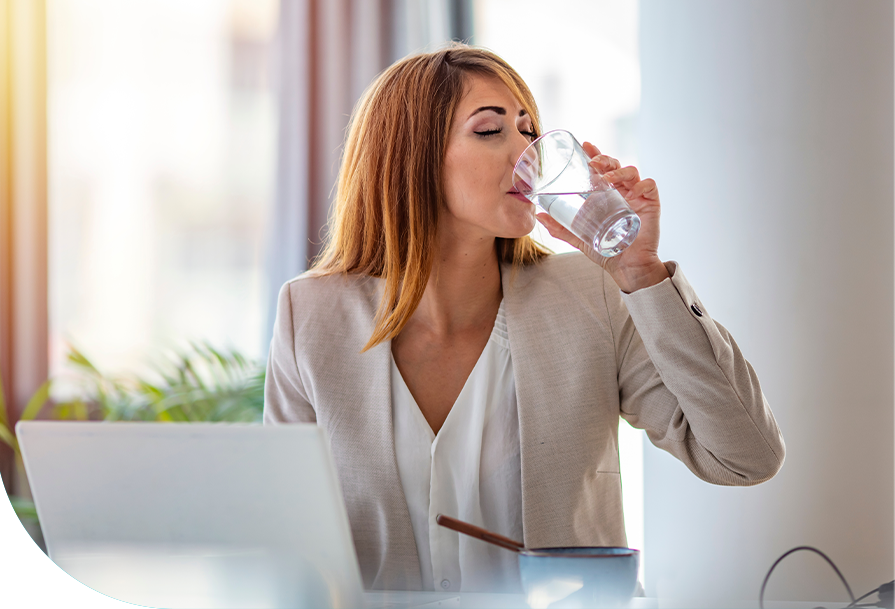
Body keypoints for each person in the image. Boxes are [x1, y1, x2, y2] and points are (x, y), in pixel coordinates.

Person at [263, 44, 785, 593]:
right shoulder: (311, 315)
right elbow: (287, 534)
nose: (528, 154)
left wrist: (641, 272)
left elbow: (745, 457)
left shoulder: (594, 296)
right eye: (490, 131)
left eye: (529, 130)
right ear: (409, 155)